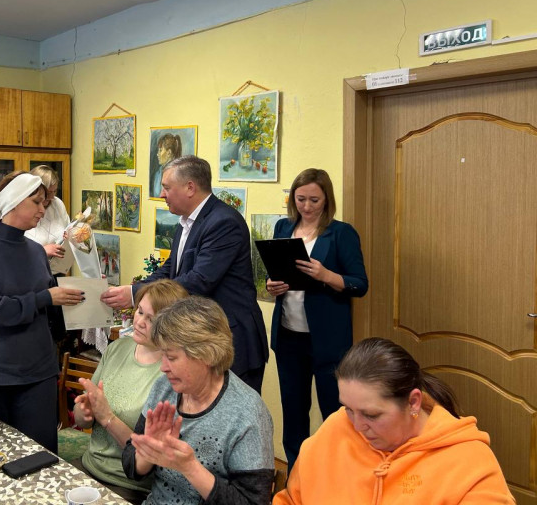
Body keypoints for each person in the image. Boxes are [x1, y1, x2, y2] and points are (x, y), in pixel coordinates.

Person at [273, 337, 515, 504]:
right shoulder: (335, 430)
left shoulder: (469, 464)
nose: (357, 426)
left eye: (371, 415)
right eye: (348, 409)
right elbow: (290, 500)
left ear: (414, 402)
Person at [102, 155, 269, 393]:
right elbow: (171, 268)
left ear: (190, 187)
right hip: (203, 339)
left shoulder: (224, 222)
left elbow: (199, 281)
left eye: (167, 187)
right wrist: (132, 291)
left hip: (231, 341)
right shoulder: (186, 221)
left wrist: (134, 294)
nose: (162, 194)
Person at [0, 171, 84, 452]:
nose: (43, 209)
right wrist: (45, 297)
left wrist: (89, 301)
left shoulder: (37, 252)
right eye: (36, 202)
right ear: (13, 202)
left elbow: (51, 309)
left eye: (44, 203)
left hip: (39, 373)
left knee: (39, 456)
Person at [122, 296, 275, 505]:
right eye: (162, 355)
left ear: (207, 355)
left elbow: (253, 502)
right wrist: (148, 452)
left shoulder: (248, 413)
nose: (163, 367)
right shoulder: (164, 388)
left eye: (171, 357)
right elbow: (130, 465)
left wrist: (190, 468)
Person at [265, 168, 367, 471]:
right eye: (301, 199)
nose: (307, 206)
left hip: (327, 342)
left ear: (326, 200)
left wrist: (326, 275)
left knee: (335, 414)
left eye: (314, 200)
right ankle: (297, 477)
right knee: (293, 413)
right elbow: (278, 274)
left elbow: (360, 284)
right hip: (288, 337)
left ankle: (337, 474)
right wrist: (272, 286)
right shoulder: (283, 227)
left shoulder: (341, 233)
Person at [73, 280, 190, 504]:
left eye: (151, 319)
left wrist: (107, 418)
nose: (139, 322)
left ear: (173, 325)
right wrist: (84, 411)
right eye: (140, 311)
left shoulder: (172, 375)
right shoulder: (117, 348)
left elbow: (152, 456)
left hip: (128, 485)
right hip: (88, 466)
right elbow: (82, 418)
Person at [24, 165, 73, 344]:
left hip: (57, 273)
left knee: (57, 332)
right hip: (32, 279)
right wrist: (43, 251)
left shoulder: (57, 204)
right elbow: (17, 250)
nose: (51, 197)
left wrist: (70, 235)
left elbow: (66, 227)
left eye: (54, 191)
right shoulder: (25, 208)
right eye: (48, 193)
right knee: (37, 332)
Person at [151, 133, 182, 198]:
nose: (157, 154)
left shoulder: (178, 174)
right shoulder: (158, 173)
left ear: (169, 153)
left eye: (160, 150)